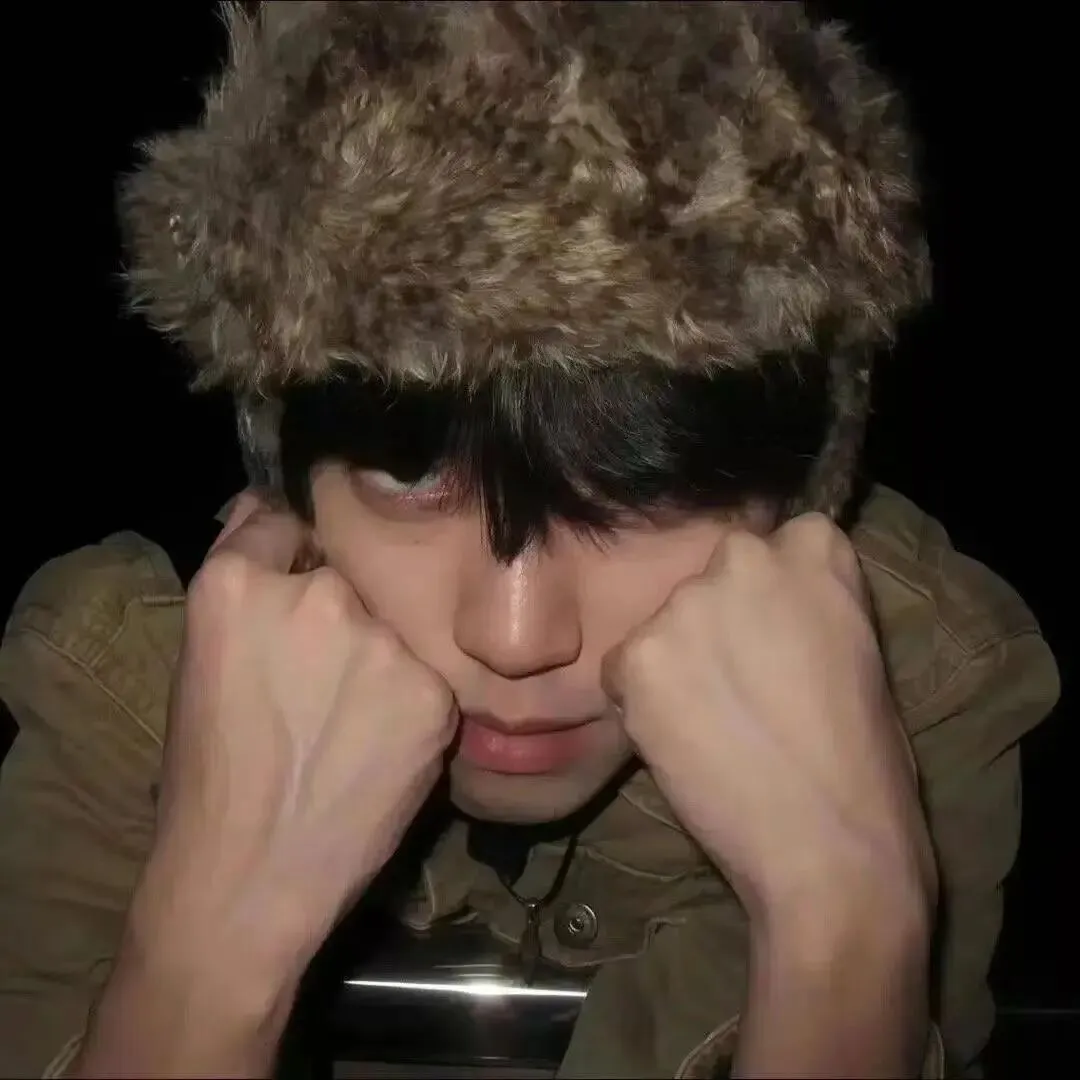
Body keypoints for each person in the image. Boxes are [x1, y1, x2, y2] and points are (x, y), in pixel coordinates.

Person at [0, 3, 1059, 1077]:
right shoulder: (119, 678)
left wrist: (844, 921)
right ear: (289, 479)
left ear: (797, 491)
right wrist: (212, 948)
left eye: (642, 490)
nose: (515, 638)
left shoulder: (920, 677)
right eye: (410, 475)